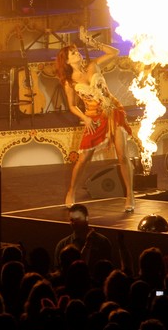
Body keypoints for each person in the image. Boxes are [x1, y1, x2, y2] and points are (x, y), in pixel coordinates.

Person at [56, 30, 136, 212]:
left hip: (113, 111)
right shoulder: (69, 82)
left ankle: (130, 195)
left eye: (77, 51)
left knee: (122, 155)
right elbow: (72, 106)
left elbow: (114, 53)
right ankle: (71, 191)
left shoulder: (94, 66)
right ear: (67, 61)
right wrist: (85, 118)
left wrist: (93, 42)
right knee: (84, 158)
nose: (78, 54)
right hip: (93, 118)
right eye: (73, 53)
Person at [53, 203, 114, 269]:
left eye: (77, 219)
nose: (73, 223)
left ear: (86, 218)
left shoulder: (102, 242)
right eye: (71, 220)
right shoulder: (63, 244)